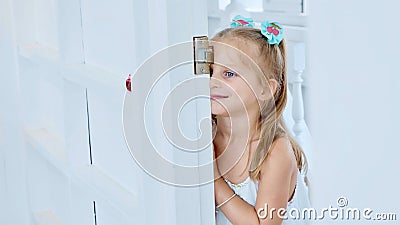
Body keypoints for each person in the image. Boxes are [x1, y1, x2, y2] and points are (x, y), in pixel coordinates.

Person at [210, 15, 310, 225]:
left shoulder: (275, 152)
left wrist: (215, 178)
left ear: (264, 89)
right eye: (210, 71)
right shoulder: (207, 133)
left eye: (228, 73)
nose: (212, 81)